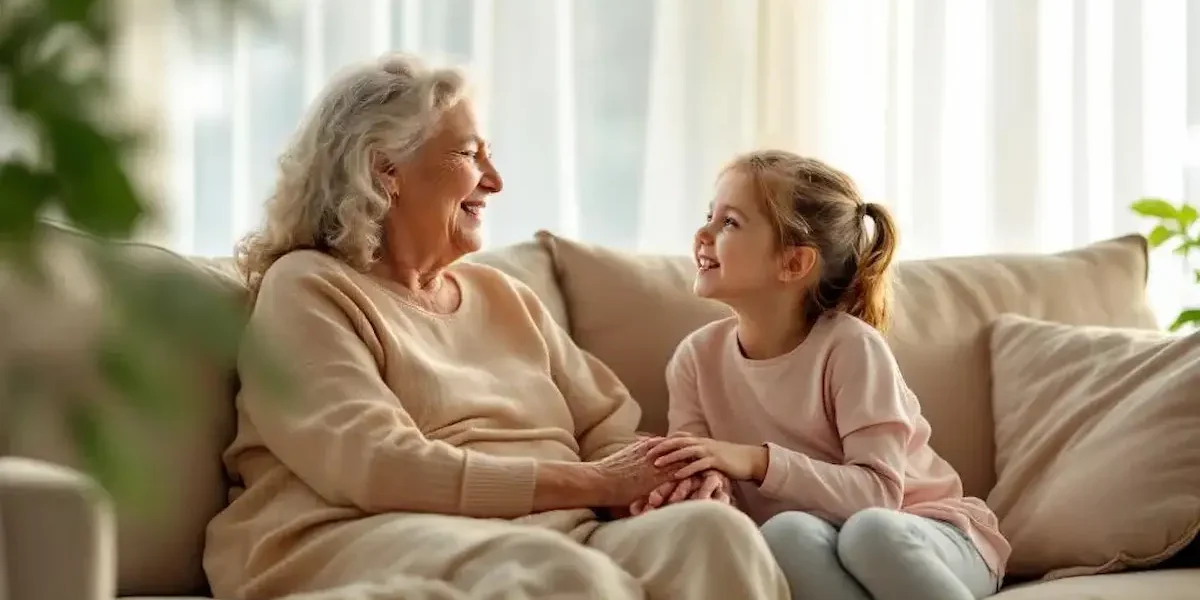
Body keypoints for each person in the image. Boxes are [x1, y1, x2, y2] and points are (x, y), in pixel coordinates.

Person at [202, 53, 788, 600]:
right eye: (470, 155)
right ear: (386, 170)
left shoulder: (504, 296)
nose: (495, 179)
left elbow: (608, 432)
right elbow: (378, 465)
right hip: (352, 533)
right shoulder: (308, 287)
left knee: (715, 535)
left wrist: (669, 483)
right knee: (554, 575)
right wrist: (597, 485)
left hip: (552, 531)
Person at [641, 150, 1011, 600]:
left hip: (937, 535)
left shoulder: (851, 349)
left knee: (870, 531)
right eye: (708, 216)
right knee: (784, 535)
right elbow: (706, 473)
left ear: (794, 264)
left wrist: (755, 460)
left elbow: (877, 496)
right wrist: (700, 491)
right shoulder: (695, 360)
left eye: (730, 222)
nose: (702, 234)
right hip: (826, 539)